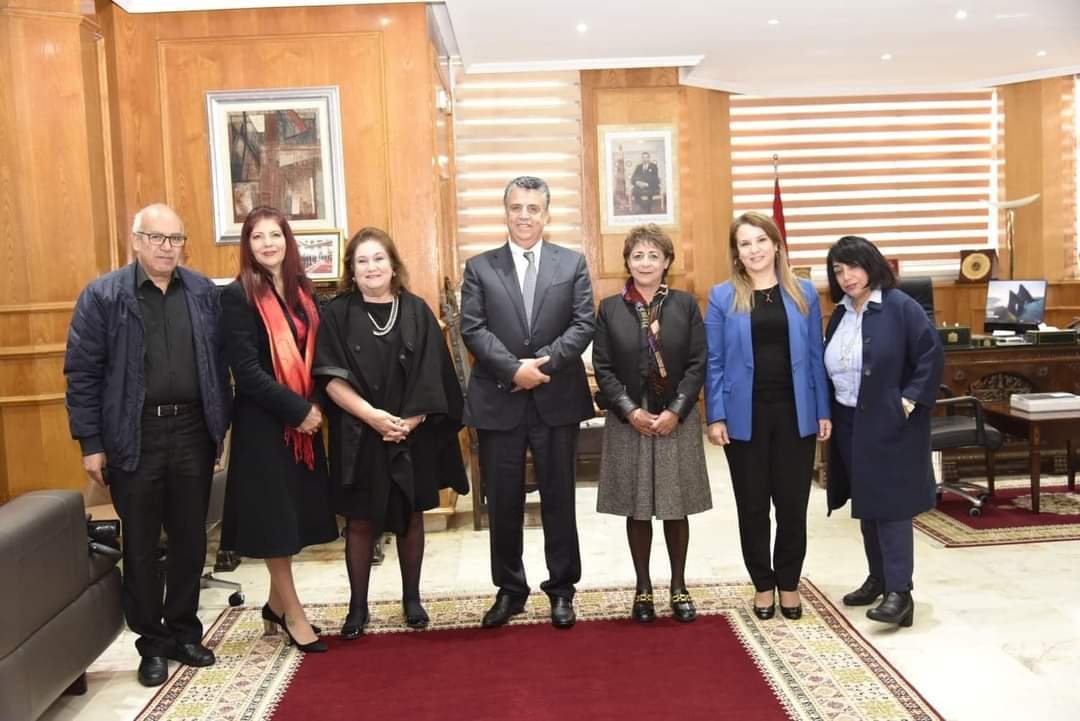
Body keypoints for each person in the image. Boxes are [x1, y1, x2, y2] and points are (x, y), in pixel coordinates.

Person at [64, 203, 231, 687]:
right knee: (139, 543)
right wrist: (91, 442)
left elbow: (218, 366)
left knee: (190, 539)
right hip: (133, 435)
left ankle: (184, 632)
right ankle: (152, 644)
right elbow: (82, 374)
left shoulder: (202, 292)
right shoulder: (103, 296)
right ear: (135, 240)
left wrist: (217, 427)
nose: (166, 248)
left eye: (175, 239)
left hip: (193, 431)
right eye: (156, 238)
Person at [314, 227, 467, 639]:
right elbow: (329, 378)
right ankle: (357, 607)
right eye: (362, 261)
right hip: (358, 435)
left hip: (411, 434)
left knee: (411, 516)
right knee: (360, 521)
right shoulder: (337, 313)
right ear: (351, 270)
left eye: (379, 258)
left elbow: (435, 374)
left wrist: (409, 421)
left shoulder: (416, 310)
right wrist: (374, 418)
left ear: (393, 265)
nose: (371, 267)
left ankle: (412, 599)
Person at [460, 176, 595, 630]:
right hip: (500, 400)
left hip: (556, 397)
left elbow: (583, 323)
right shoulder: (480, 267)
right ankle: (510, 590)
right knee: (503, 502)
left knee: (560, 498)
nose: (524, 216)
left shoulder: (571, 264)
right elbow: (473, 327)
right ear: (505, 212)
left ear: (546, 214)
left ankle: (562, 589)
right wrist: (513, 370)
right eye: (516, 207)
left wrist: (543, 365)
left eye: (533, 208)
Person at [219, 207, 338, 654]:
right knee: (276, 524)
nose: (268, 244)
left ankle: (273, 605)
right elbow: (246, 371)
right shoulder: (237, 296)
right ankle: (293, 614)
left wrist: (315, 406)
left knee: (294, 519)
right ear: (247, 246)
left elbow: (321, 356)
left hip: (304, 423)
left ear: (288, 241)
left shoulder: (305, 291)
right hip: (264, 427)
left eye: (275, 235)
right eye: (257, 237)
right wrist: (297, 410)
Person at [704, 211, 832, 621]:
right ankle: (763, 584)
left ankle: (789, 583)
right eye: (745, 243)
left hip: (796, 413)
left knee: (793, 506)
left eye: (761, 240)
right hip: (744, 416)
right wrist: (716, 416)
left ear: (776, 245)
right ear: (736, 253)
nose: (754, 250)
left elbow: (815, 355)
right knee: (753, 506)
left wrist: (823, 409)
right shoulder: (722, 296)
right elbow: (714, 361)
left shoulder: (804, 292)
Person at [823, 235, 944, 628]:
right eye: (839, 270)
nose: (847, 276)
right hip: (849, 421)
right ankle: (878, 579)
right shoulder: (840, 314)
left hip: (890, 422)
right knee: (868, 503)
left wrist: (907, 402)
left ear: (872, 265)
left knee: (891, 506)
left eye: (854, 267)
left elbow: (931, 356)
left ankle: (900, 593)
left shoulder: (900, 306)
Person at [593, 224, 711, 623]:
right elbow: (603, 367)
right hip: (631, 417)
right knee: (638, 506)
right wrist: (630, 410)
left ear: (667, 262)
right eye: (637, 255)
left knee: (676, 506)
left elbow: (698, 362)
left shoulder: (685, 305)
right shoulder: (610, 308)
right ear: (627, 262)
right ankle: (643, 588)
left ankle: (679, 586)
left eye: (653, 255)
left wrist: (676, 409)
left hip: (676, 415)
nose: (645, 263)